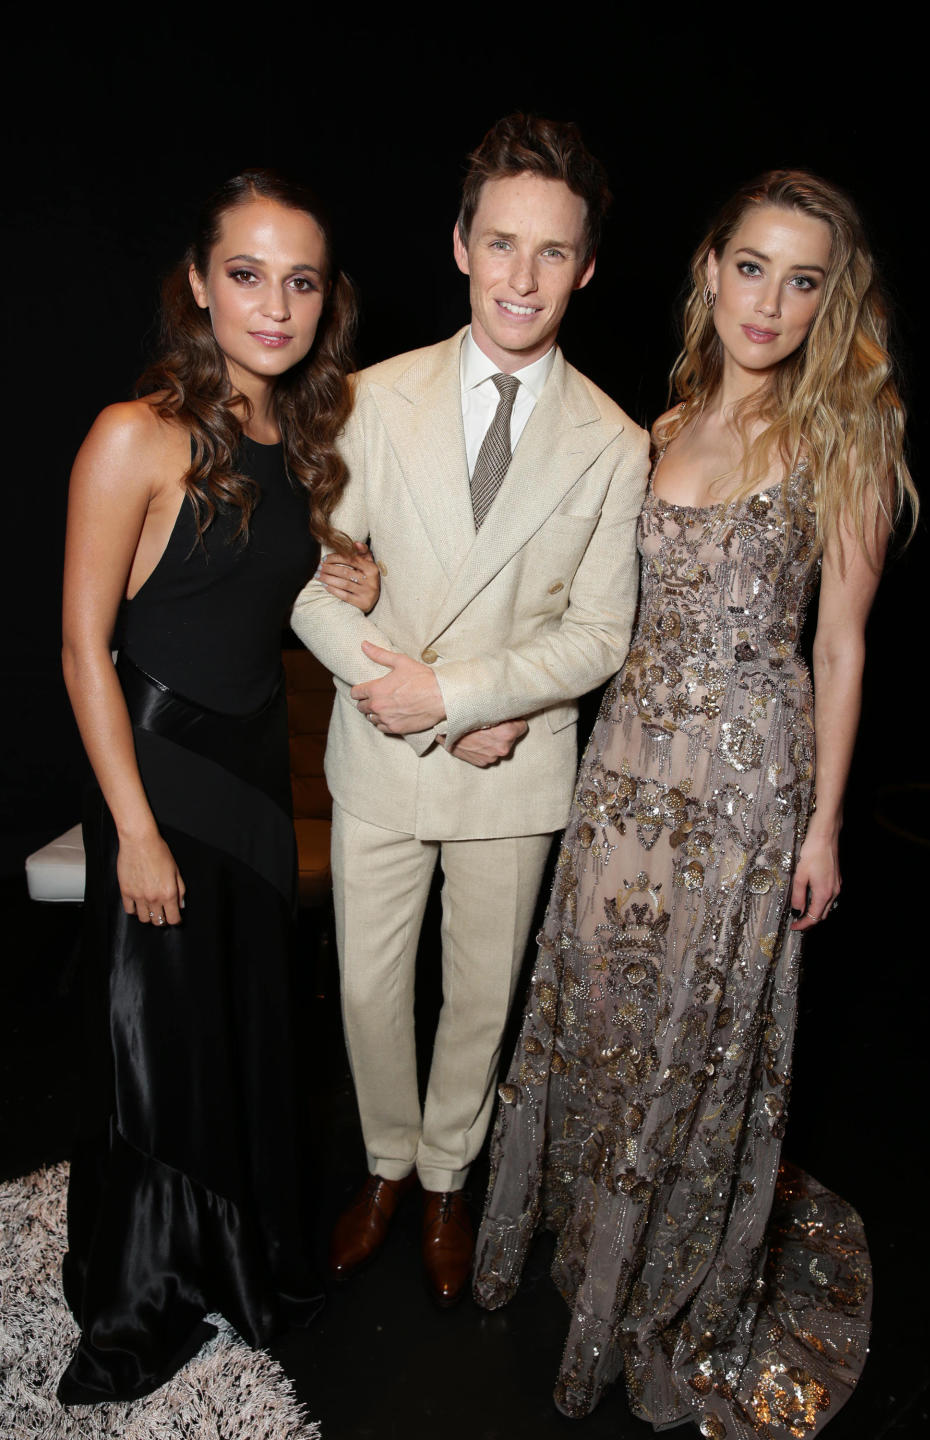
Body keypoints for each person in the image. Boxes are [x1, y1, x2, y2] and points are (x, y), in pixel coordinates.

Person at [474, 170, 917, 1431]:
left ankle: (657, 1280)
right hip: (622, 777)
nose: (769, 301)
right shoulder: (659, 432)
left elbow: (839, 649)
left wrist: (824, 825)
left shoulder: (846, 439)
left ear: (831, 301)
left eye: (804, 277)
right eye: (751, 266)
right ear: (708, 271)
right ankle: (582, 1241)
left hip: (744, 792)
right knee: (600, 1007)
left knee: (690, 1033)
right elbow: (608, 625)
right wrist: (517, 707)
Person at [291, 113, 650, 1307]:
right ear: (459, 245)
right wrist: (431, 707)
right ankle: (386, 1164)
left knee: (482, 994)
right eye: (501, 244)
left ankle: (450, 1176)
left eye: (551, 253)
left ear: (586, 267)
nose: (522, 277)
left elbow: (599, 635)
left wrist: (456, 695)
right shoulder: (371, 398)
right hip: (388, 754)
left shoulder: (613, 442)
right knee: (366, 988)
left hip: (516, 765)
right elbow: (314, 591)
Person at [58, 170, 379, 1404]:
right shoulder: (130, 434)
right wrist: (132, 830)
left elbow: (259, 578)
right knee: (161, 1040)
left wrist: (351, 563)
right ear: (198, 282)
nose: (276, 303)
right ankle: (146, 1294)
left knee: (247, 1019)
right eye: (247, 273)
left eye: (300, 280)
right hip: (158, 765)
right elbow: (84, 646)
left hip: (251, 765)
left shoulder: (289, 437)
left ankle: (237, 1256)